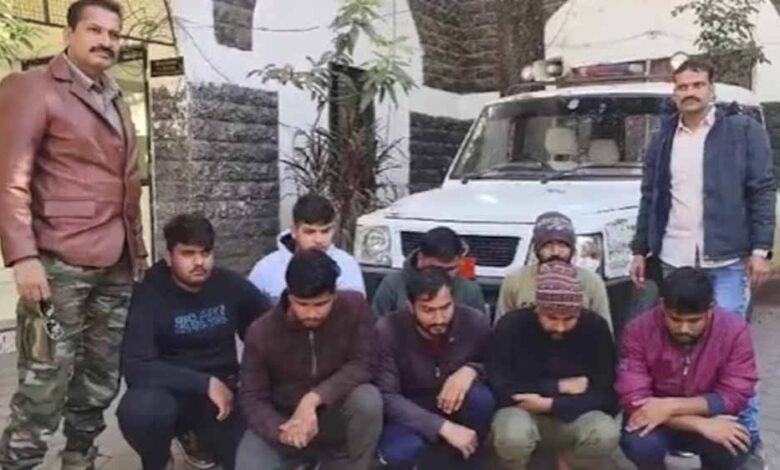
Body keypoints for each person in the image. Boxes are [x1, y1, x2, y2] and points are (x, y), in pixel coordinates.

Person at [0, 1, 148, 468]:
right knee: (44, 379)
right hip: (56, 268)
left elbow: (126, 183)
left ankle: (80, 458)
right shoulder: (32, 88)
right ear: (68, 34)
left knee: (100, 379)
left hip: (116, 264)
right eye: (94, 30)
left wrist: (139, 254)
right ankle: (18, 462)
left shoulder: (117, 97)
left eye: (114, 34)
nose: (106, 41)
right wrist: (23, 257)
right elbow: (10, 178)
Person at [629, 59, 773, 461]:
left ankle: (746, 439)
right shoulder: (662, 138)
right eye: (682, 86)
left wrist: (760, 250)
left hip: (727, 260)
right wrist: (639, 248)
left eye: (697, 85)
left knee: (730, 347)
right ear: (674, 92)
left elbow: (762, 189)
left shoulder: (742, 131)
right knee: (678, 345)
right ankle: (688, 426)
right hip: (674, 257)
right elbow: (649, 197)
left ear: (712, 89)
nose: (689, 92)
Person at [116, 214, 271, 470]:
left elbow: (270, 330)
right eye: (188, 254)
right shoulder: (149, 292)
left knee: (247, 459)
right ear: (169, 256)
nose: (199, 262)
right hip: (169, 395)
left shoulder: (230, 285)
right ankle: (158, 460)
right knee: (141, 411)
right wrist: (204, 383)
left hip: (224, 397)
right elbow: (136, 366)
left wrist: (253, 375)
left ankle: (204, 443)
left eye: (205, 253)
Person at [236, 250, 382, 470]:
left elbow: (365, 362)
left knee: (368, 400)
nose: (312, 314)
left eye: (321, 304)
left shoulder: (354, 307)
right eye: (303, 304)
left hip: (333, 412)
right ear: (289, 295)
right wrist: (282, 430)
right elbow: (252, 397)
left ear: (334, 295)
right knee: (249, 465)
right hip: (284, 419)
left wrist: (314, 398)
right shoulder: (261, 332)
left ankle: (350, 464)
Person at [618, 267, 758, 470]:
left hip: (703, 413)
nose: (684, 328)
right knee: (640, 444)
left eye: (694, 321)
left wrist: (670, 407)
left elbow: (735, 394)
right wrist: (699, 424)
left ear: (710, 309)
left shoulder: (734, 331)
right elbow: (635, 399)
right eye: (675, 319)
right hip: (657, 419)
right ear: (662, 305)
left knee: (734, 442)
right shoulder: (638, 330)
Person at [488, 261, 619, 469]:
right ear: (538, 308)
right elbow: (501, 385)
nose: (560, 327)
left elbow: (607, 395)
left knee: (605, 433)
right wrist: (559, 387)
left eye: (569, 319)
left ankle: (568, 462)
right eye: (551, 318)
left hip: (575, 414)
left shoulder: (596, 328)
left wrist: (551, 404)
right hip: (522, 412)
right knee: (512, 436)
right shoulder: (512, 326)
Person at [376, 268, 494, 469]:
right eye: (428, 310)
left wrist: (472, 370)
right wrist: (441, 427)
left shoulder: (474, 321)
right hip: (409, 414)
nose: (439, 318)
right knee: (401, 451)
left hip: (456, 408)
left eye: (446, 307)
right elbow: (387, 396)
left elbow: (496, 365)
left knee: (481, 399)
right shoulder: (388, 330)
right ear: (410, 306)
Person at [496, 211, 612, 330]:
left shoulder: (592, 282)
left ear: (572, 249)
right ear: (537, 249)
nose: (555, 252)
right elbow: (503, 328)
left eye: (562, 245)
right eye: (547, 245)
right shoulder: (515, 280)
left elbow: (603, 330)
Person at [248, 194, 365, 303]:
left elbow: (356, 313)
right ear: (294, 231)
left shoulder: (347, 266)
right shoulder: (265, 269)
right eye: (310, 232)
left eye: (325, 231)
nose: (319, 239)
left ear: (333, 229)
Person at [372, 227, 486, 316]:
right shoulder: (392, 286)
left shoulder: (470, 291)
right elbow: (375, 331)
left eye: (451, 269)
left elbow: (479, 333)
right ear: (421, 259)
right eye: (438, 268)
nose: (444, 275)